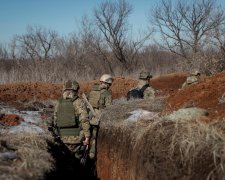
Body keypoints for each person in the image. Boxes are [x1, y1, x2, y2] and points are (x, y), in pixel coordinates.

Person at [53, 80, 91, 160]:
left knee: (64, 161)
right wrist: (87, 137)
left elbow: (55, 120)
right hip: (76, 139)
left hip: (62, 138)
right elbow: (84, 120)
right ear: (76, 89)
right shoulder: (78, 102)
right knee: (76, 162)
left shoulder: (58, 103)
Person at [86, 74, 113, 160]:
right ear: (107, 83)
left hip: (89, 116)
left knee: (87, 135)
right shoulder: (106, 93)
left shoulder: (92, 91)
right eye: (110, 84)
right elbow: (109, 109)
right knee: (95, 137)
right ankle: (92, 154)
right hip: (98, 118)